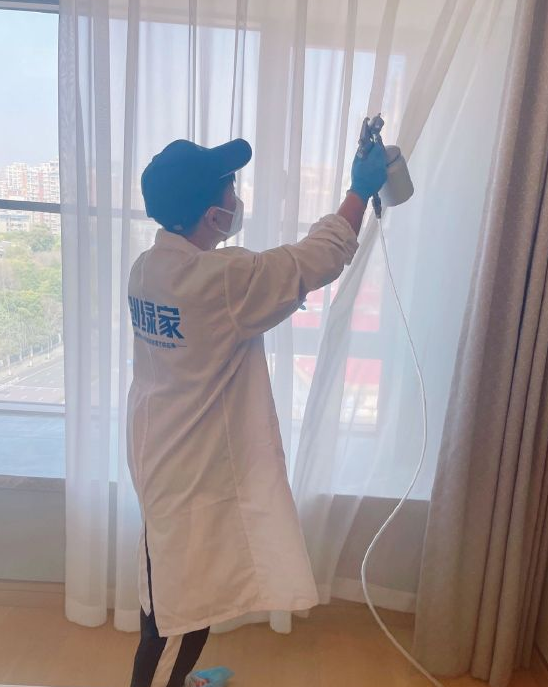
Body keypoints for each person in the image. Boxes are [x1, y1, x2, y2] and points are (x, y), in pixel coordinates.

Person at [127, 136, 387, 687]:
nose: (236, 197)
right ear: (211, 213)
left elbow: (262, 288)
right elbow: (317, 258)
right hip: (195, 471)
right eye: (230, 188)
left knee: (165, 595)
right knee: (185, 611)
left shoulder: (147, 269)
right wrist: (359, 191)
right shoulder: (222, 280)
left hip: (159, 457)